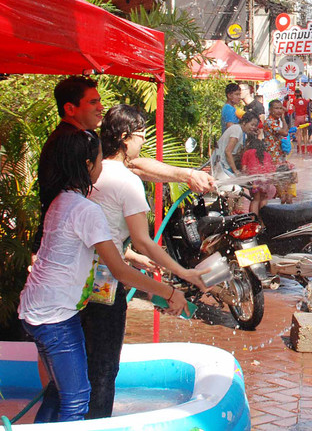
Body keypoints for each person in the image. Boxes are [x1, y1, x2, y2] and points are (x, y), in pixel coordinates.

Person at [19, 130, 186, 423]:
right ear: (86, 166)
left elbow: (87, 250)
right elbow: (119, 272)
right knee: (77, 399)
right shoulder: (86, 209)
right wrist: (170, 292)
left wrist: (132, 256)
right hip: (55, 316)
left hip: (35, 309)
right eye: (99, 161)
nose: (102, 167)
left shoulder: (61, 200)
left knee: (59, 392)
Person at [82, 105, 208, 419]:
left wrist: (133, 256)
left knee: (81, 366)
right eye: (140, 135)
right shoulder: (128, 182)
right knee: (103, 369)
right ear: (125, 138)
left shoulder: (92, 170)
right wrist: (180, 273)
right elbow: (143, 240)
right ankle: (96, 423)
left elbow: (103, 231)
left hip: (78, 281)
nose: (143, 141)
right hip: (104, 287)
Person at [37, 77, 213, 242]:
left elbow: (130, 164)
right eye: (93, 102)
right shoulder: (70, 143)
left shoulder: (87, 138)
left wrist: (187, 174)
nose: (100, 107)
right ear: (70, 109)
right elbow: (140, 241)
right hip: (63, 242)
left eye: (99, 100)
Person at [214, 111, 260, 181]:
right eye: (252, 125)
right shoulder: (237, 130)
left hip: (224, 164)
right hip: (221, 165)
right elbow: (228, 151)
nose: (253, 127)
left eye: (255, 126)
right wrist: (235, 171)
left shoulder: (242, 132)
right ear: (244, 122)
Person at [241, 134, 276, 218]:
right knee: (263, 199)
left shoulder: (247, 153)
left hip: (254, 181)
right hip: (266, 180)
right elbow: (272, 170)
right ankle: (262, 220)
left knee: (255, 200)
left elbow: (244, 168)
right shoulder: (267, 154)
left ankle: (253, 220)